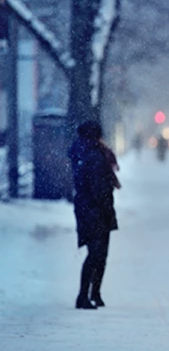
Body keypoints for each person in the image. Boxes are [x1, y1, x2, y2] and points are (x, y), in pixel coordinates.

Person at [68, 121, 120, 310]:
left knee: (96, 253)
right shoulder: (95, 156)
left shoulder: (81, 152)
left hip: (86, 208)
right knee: (97, 253)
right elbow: (99, 188)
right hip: (95, 210)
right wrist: (106, 210)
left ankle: (93, 294)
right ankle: (85, 295)